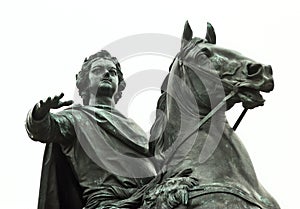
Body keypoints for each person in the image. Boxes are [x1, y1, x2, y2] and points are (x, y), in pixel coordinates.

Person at [25, 50, 157, 209]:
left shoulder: (135, 128)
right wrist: (39, 113)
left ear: (119, 84)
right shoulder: (76, 118)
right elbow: (43, 129)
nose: (107, 74)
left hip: (150, 198)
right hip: (109, 204)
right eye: (97, 70)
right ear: (85, 83)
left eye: (112, 72)